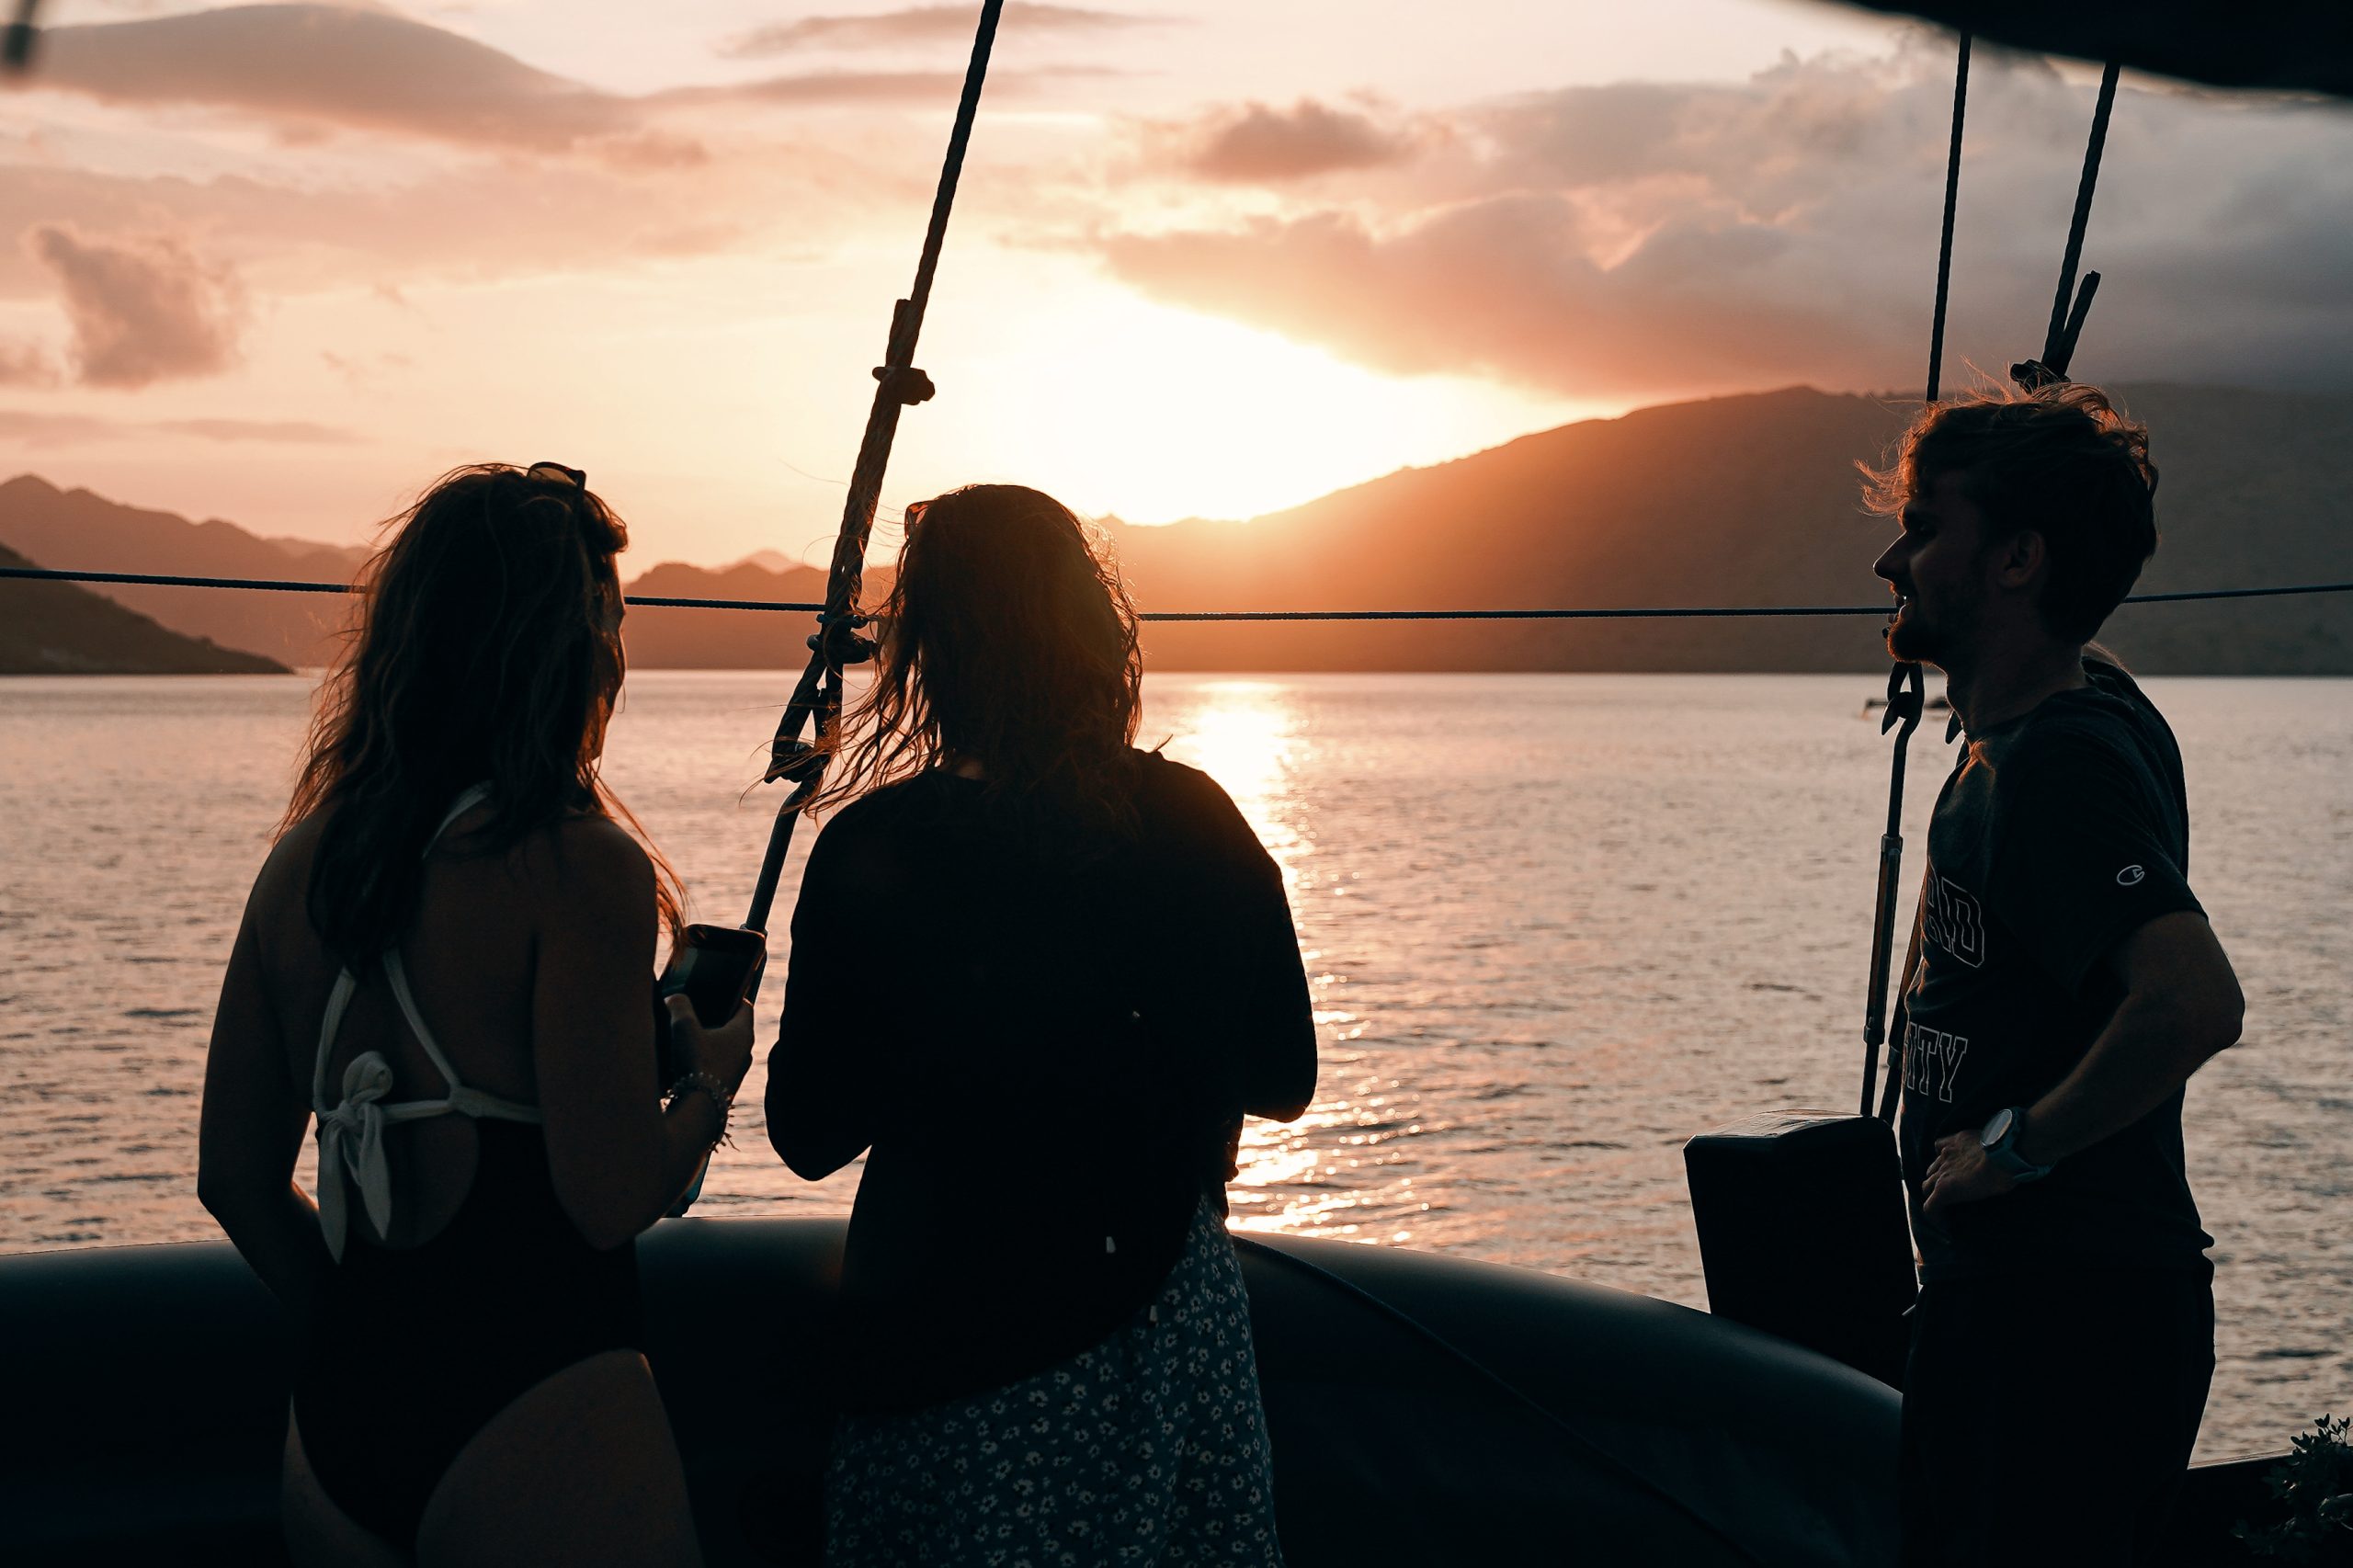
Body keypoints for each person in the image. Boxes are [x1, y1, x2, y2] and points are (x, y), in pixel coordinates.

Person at [198, 462, 753, 1567]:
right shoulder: (576, 865)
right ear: (567, 644)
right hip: (540, 1404)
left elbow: (233, 1177)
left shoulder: (298, 865)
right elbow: (607, 1197)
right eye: (611, 618)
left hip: (340, 1429)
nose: (616, 654)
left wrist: (378, 1345)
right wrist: (709, 1083)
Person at [765, 483, 1316, 1566]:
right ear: (1095, 632)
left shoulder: (881, 847)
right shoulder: (1198, 819)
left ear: (929, 650)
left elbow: (809, 1131)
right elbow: (1283, 1072)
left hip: (946, 1349)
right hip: (1166, 1335)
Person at [1864, 385, 2245, 1565]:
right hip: (2047, 1303)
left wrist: (2013, 1144)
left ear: (2018, 559)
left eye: (1927, 527)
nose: (1893, 558)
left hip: (2062, 1315)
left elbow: (2191, 999)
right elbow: (2076, 657)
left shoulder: (2055, 771)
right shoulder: (2074, 714)